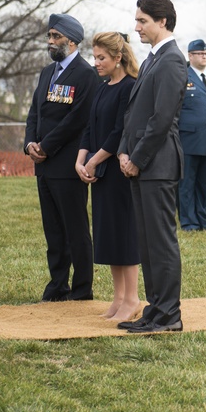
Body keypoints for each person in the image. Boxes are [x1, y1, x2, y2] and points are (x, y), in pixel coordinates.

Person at [117, 0, 187, 334]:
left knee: (161, 242)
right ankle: (155, 309)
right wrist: (122, 152)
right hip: (140, 163)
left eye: (142, 20)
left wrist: (137, 159)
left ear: (163, 21)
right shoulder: (152, 60)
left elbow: (161, 120)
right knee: (146, 242)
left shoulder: (172, 60)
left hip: (157, 165)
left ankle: (169, 315)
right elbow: (133, 115)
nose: (137, 26)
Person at [24, 14, 97, 302]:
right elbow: (34, 113)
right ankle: (57, 285)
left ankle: (81, 289)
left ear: (72, 40)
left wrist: (46, 146)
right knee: (53, 231)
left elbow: (77, 120)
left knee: (75, 230)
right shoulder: (47, 72)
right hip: (43, 166)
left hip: (67, 165)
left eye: (56, 36)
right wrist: (30, 143)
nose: (50, 41)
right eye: (49, 36)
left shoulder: (85, 75)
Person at [76, 32, 141, 321]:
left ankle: (132, 299)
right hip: (100, 172)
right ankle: (118, 298)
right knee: (110, 236)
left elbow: (119, 132)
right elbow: (90, 128)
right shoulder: (103, 88)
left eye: (101, 58)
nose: (96, 62)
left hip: (119, 173)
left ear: (118, 58)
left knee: (125, 235)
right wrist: (81, 159)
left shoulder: (129, 87)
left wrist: (94, 161)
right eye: (95, 57)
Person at [177, 39, 206, 231]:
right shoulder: (182, 76)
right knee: (187, 183)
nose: (204, 57)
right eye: (200, 54)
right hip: (188, 139)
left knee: (204, 183)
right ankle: (189, 221)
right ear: (190, 56)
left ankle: (203, 219)